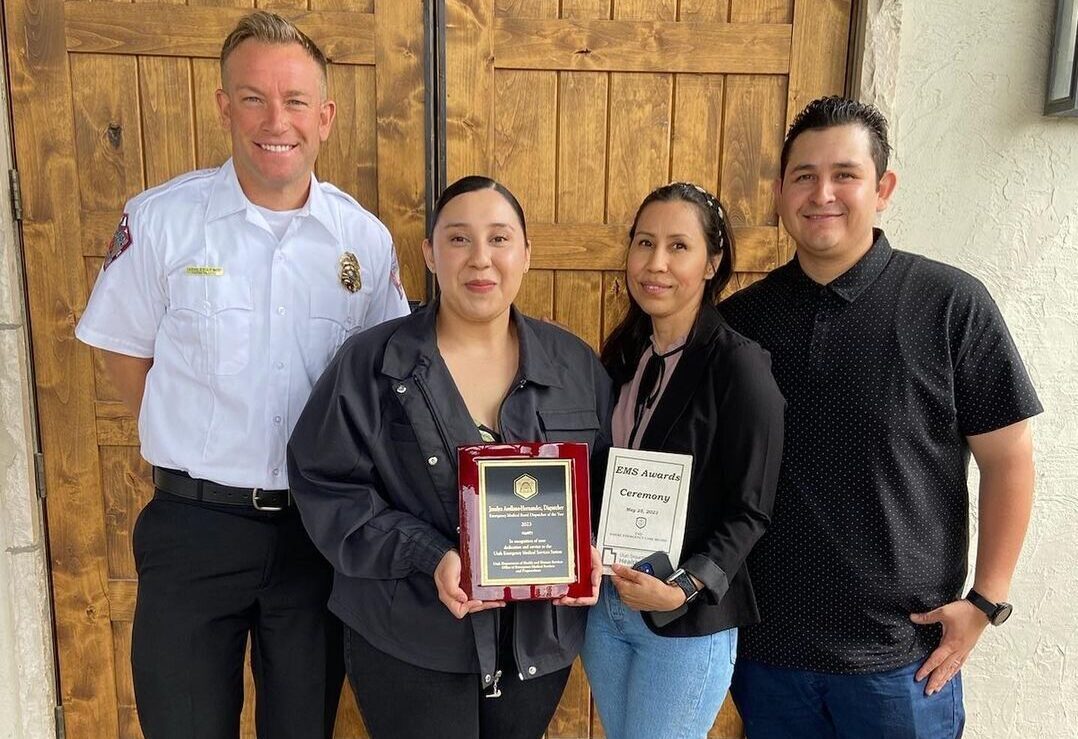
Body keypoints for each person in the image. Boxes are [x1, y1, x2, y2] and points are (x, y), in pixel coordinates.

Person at [74, 11, 410, 738]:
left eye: (294, 101)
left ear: (325, 117)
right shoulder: (163, 222)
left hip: (319, 534)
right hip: (194, 529)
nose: (274, 119)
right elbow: (123, 352)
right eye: (253, 97)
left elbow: (387, 379)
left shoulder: (365, 241)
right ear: (224, 106)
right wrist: (197, 443)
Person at [721, 96, 1042, 738]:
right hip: (767, 654)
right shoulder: (742, 322)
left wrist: (985, 600)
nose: (823, 194)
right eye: (804, 176)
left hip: (903, 661)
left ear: (883, 188)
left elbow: (1009, 461)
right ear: (781, 191)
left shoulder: (950, 304)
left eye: (845, 175)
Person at [287, 175, 612, 739]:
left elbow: (606, 485)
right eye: (458, 239)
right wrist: (429, 554)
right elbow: (325, 484)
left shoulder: (575, 367)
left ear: (527, 254)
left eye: (499, 238)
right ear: (429, 255)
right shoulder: (371, 363)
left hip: (536, 646)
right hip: (408, 637)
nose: (480, 258)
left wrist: (589, 556)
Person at [579, 182, 785, 738]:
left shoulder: (740, 367)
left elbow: (752, 510)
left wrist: (685, 586)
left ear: (713, 262)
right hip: (607, 607)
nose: (656, 263)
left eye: (678, 247)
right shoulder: (622, 355)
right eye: (644, 243)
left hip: (684, 621)